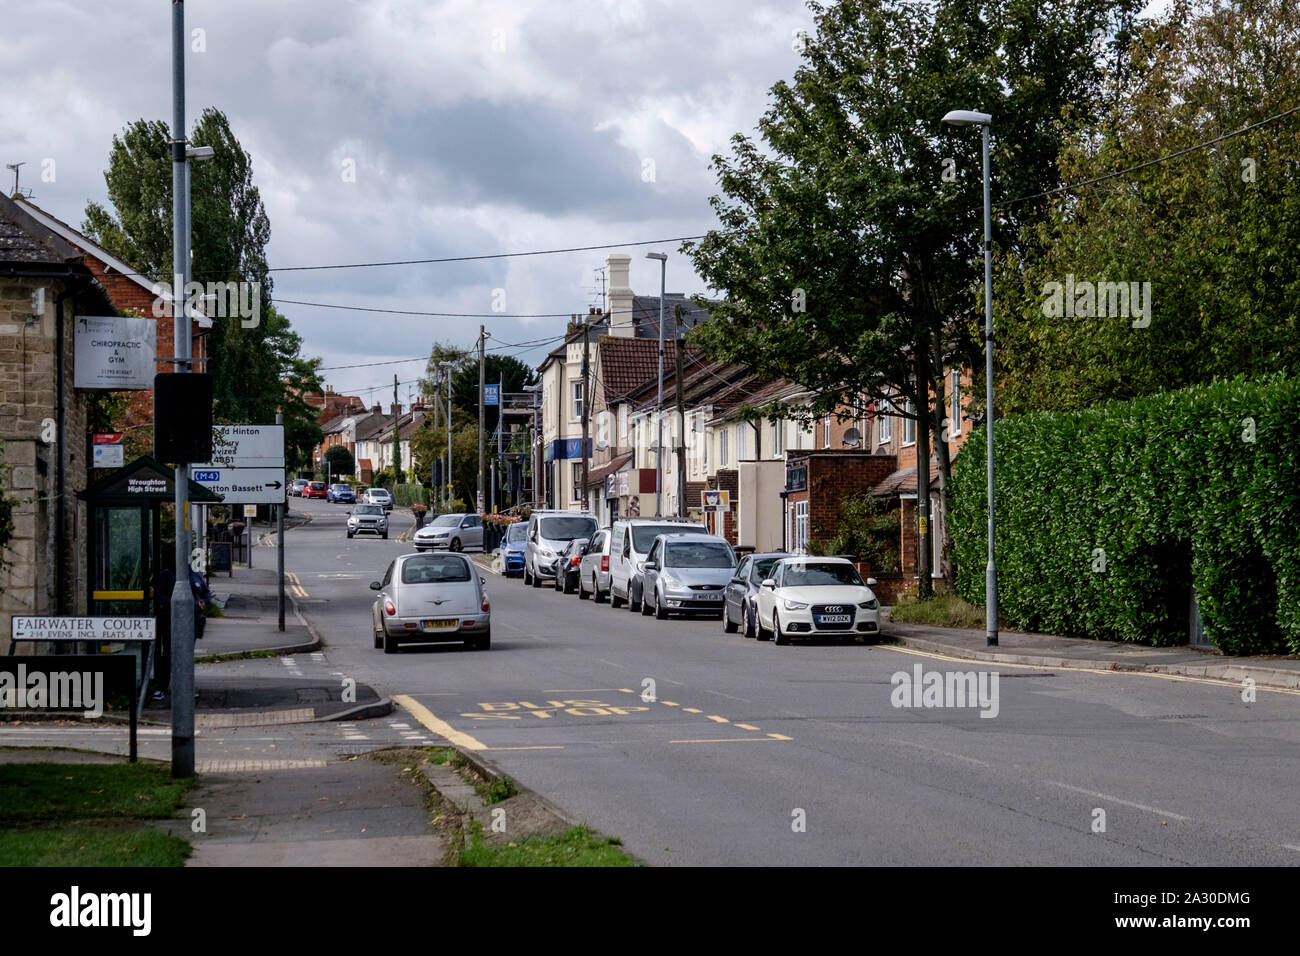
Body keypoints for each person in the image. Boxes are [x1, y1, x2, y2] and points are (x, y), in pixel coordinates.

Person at [151, 568, 175, 702]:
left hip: (181, 622)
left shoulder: (189, 574)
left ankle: (181, 687)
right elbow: (158, 594)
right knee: (167, 653)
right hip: (166, 619)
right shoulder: (166, 574)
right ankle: (161, 686)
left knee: (173, 653)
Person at [190, 567, 211, 640]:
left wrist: (204, 601)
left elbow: (206, 591)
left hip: (195, 617)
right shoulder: (168, 573)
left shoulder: (195, 574)